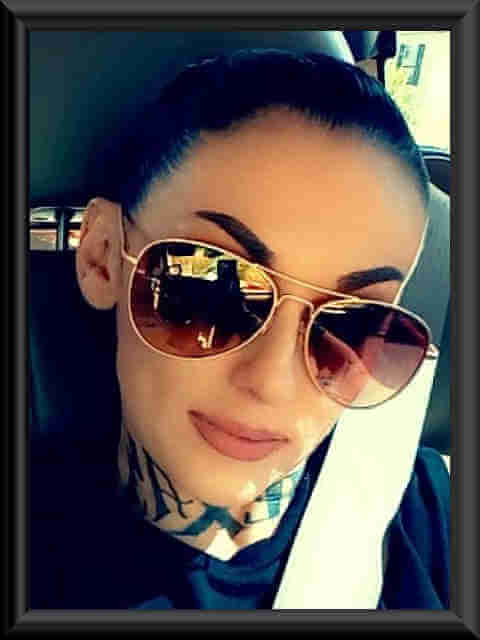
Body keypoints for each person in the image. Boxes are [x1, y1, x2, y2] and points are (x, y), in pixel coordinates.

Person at [30, 49, 450, 610]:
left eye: (352, 325)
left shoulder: (424, 503)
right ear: (102, 257)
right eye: (210, 290)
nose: (273, 383)